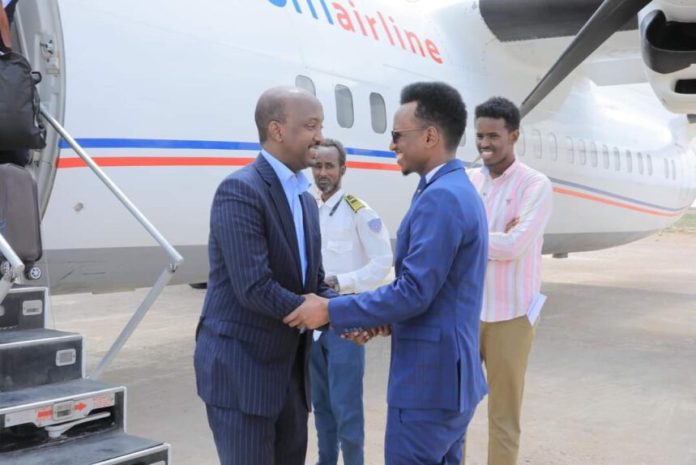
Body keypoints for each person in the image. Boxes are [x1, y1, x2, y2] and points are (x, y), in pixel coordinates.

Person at [284, 81, 489, 465]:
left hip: (428, 385)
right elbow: (441, 290)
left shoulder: (442, 197)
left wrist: (331, 310)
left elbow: (414, 290)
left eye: (398, 135)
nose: (392, 144)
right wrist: (385, 321)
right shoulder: (453, 188)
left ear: (430, 137)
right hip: (449, 380)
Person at [193, 86, 335, 465]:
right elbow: (254, 287)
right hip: (243, 376)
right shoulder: (240, 191)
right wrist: (326, 314)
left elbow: (314, 284)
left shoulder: (306, 200)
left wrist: (351, 312)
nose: (320, 136)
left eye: (320, 126)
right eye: (311, 126)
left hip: (290, 377)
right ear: (276, 130)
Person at [463, 97, 553, 465]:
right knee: (455, 408)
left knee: (503, 415)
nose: (484, 143)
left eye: (493, 136)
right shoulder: (468, 180)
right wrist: (494, 237)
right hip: (468, 312)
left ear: (514, 135)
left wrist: (471, 237)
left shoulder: (535, 185)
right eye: (479, 136)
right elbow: (451, 234)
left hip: (512, 316)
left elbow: (516, 245)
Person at [310, 138, 393, 465]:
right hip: (313, 322)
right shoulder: (308, 209)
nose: (323, 172)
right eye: (318, 165)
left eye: (330, 166)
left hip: (346, 320)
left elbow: (382, 262)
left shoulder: (358, 211)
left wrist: (342, 282)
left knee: (346, 408)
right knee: (320, 405)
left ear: (343, 169)